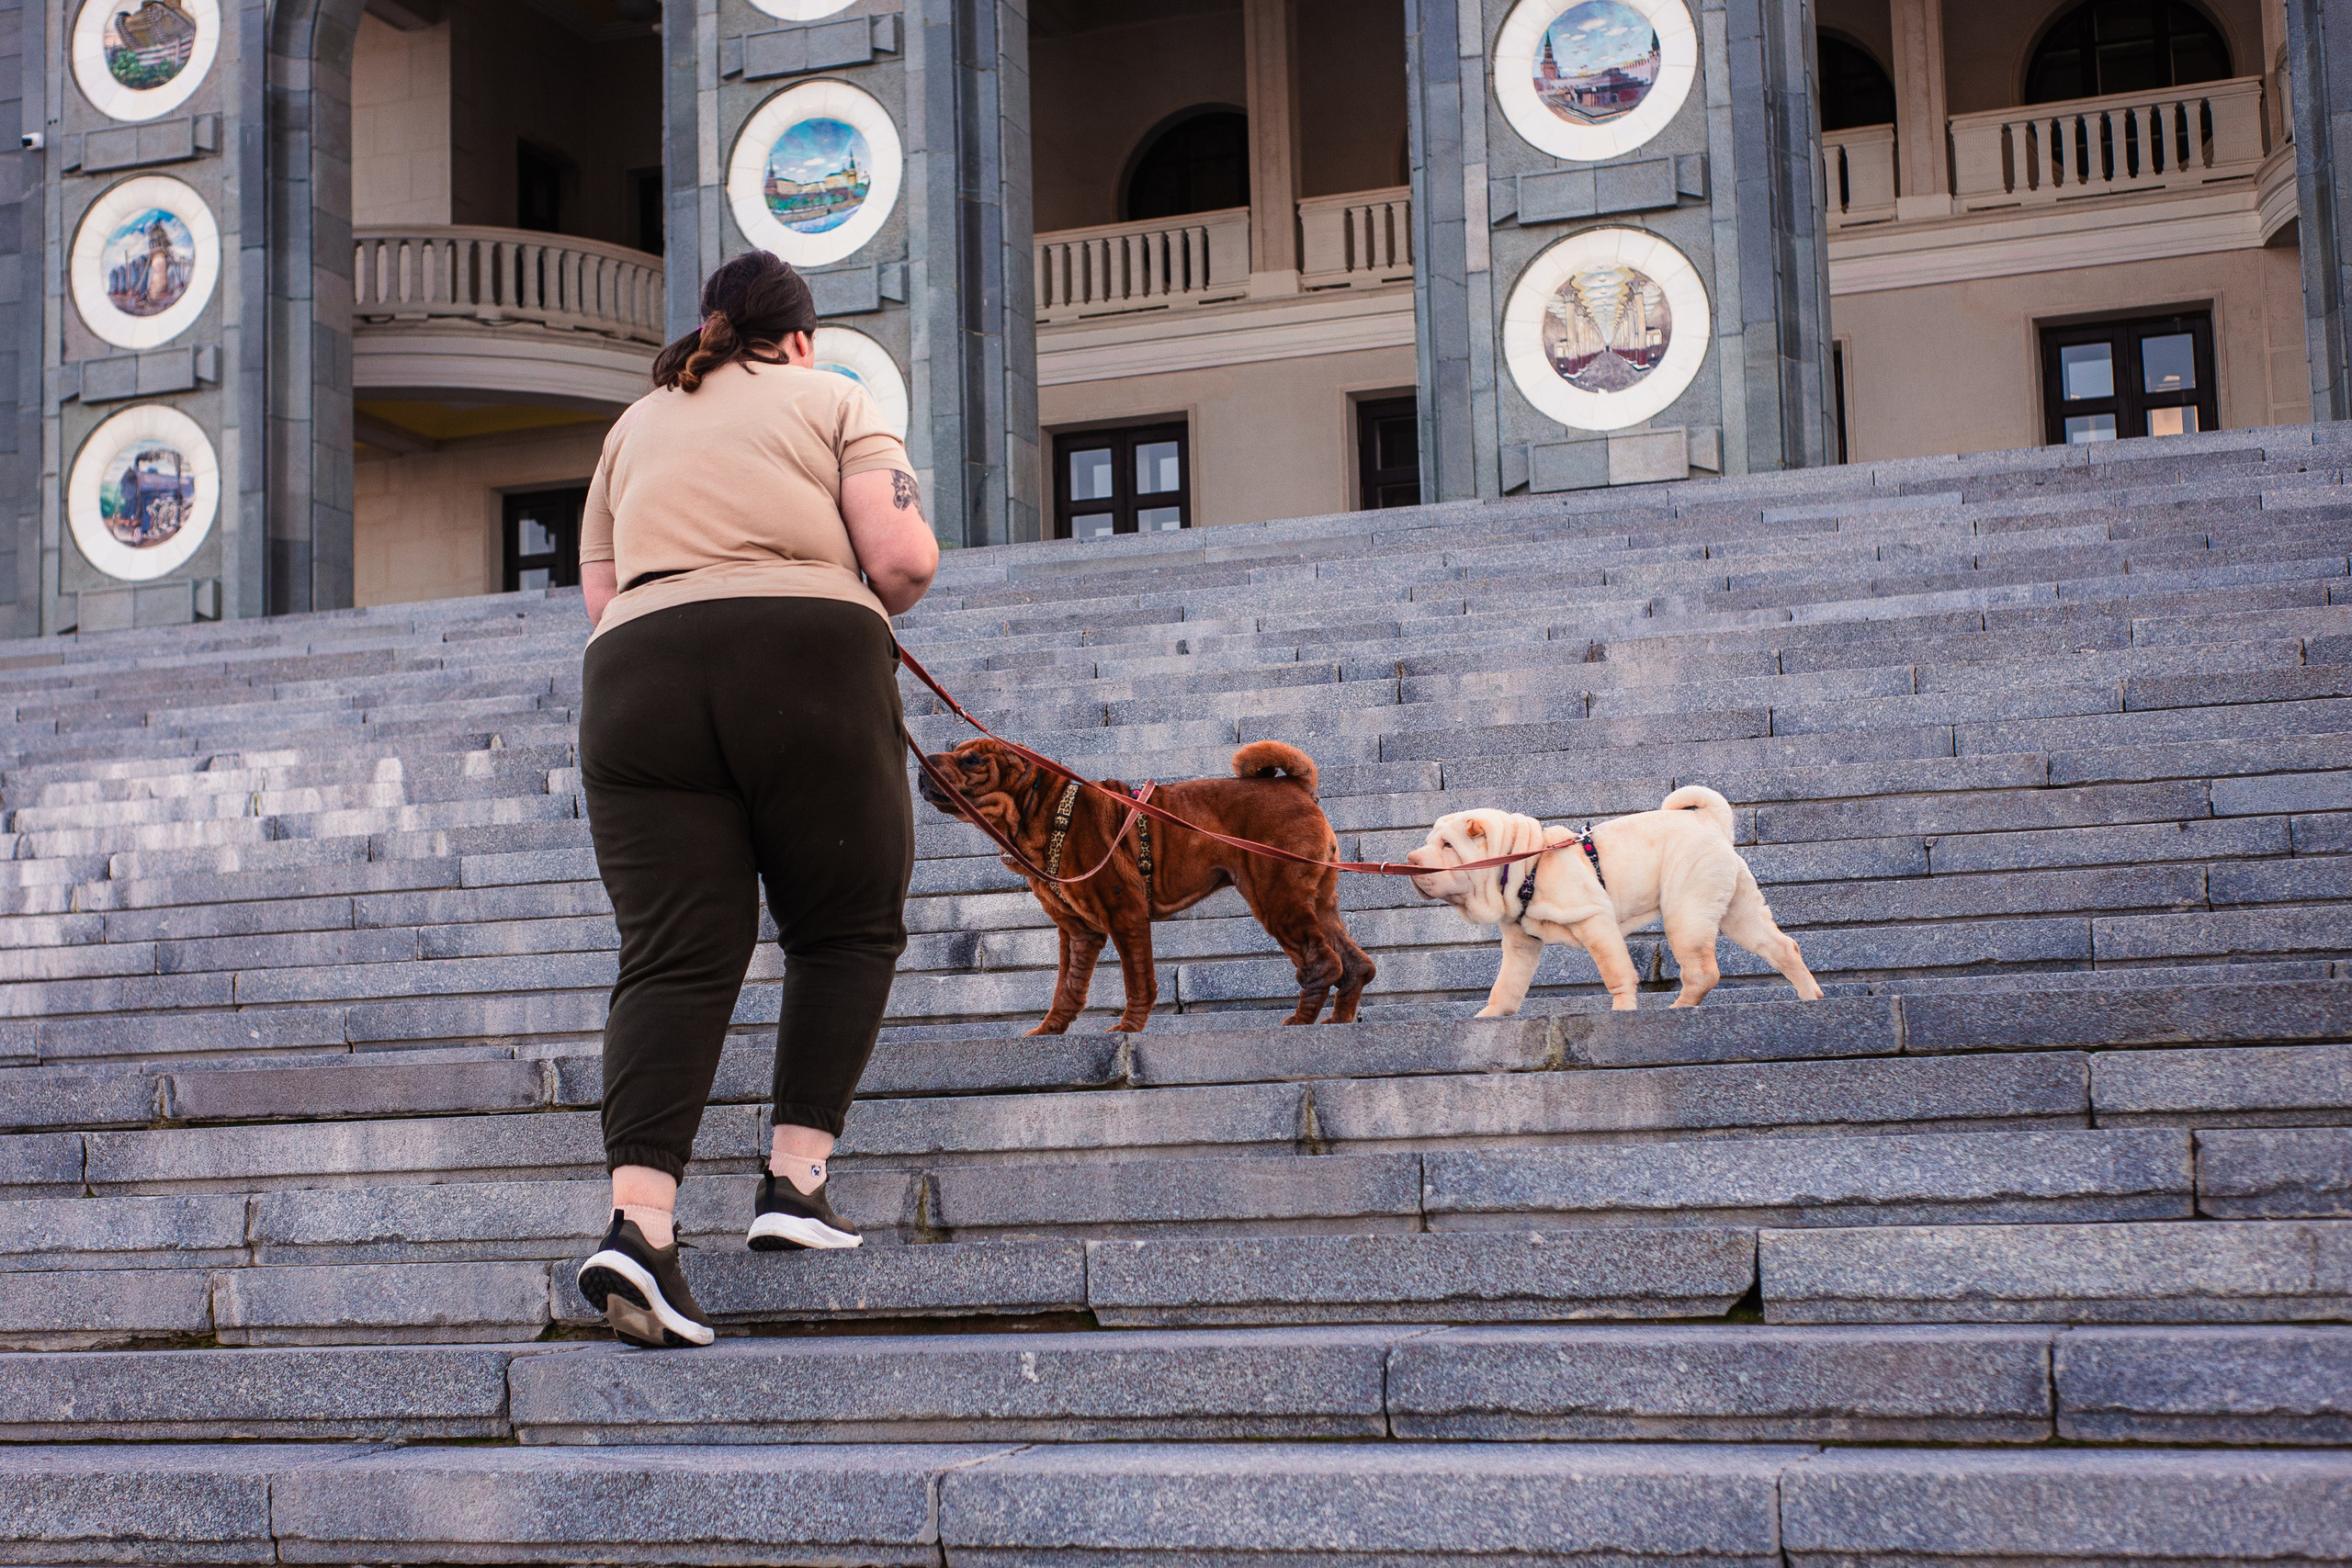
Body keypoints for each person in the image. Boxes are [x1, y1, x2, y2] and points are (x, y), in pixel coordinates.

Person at [571, 251, 939, 1348]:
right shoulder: (834, 399)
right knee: (845, 924)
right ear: (799, 338)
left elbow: (602, 591)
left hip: (634, 678)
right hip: (803, 654)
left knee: (672, 954)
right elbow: (903, 558)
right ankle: (794, 1183)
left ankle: (640, 1227)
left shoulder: (633, 426)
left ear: (711, 332)